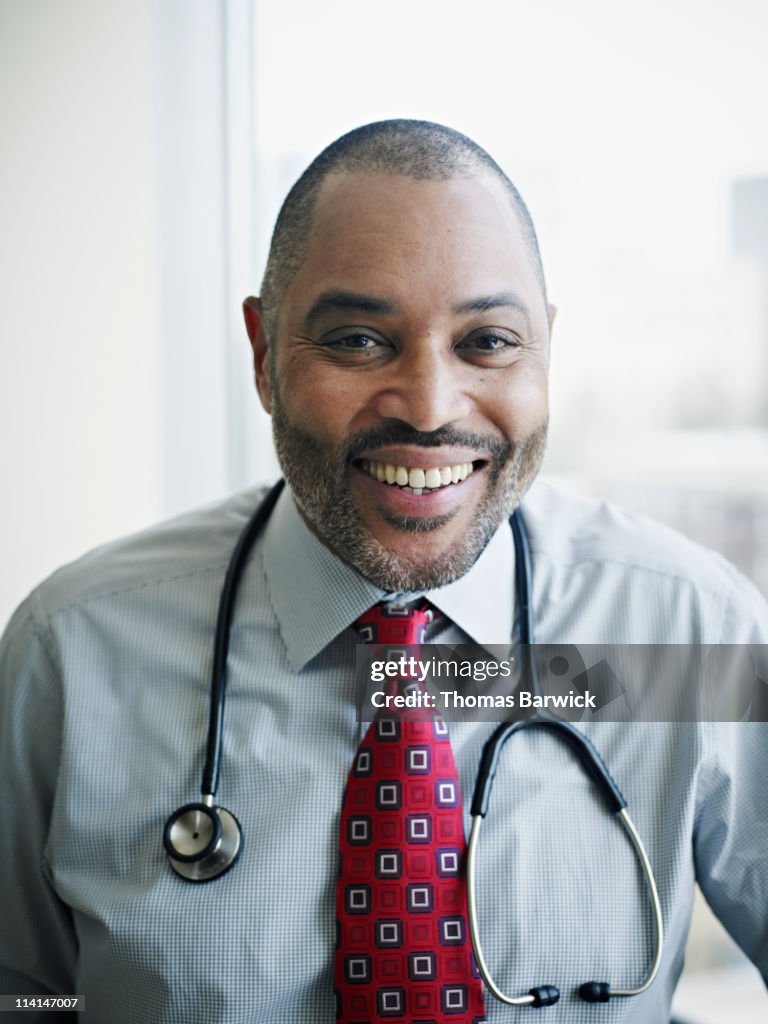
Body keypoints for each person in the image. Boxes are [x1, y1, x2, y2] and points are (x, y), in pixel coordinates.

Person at [1, 119, 766, 1023]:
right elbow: (29, 1001)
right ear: (262, 353)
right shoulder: (74, 653)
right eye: (360, 340)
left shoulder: (679, 630)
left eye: (487, 341)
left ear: (545, 347)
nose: (432, 409)